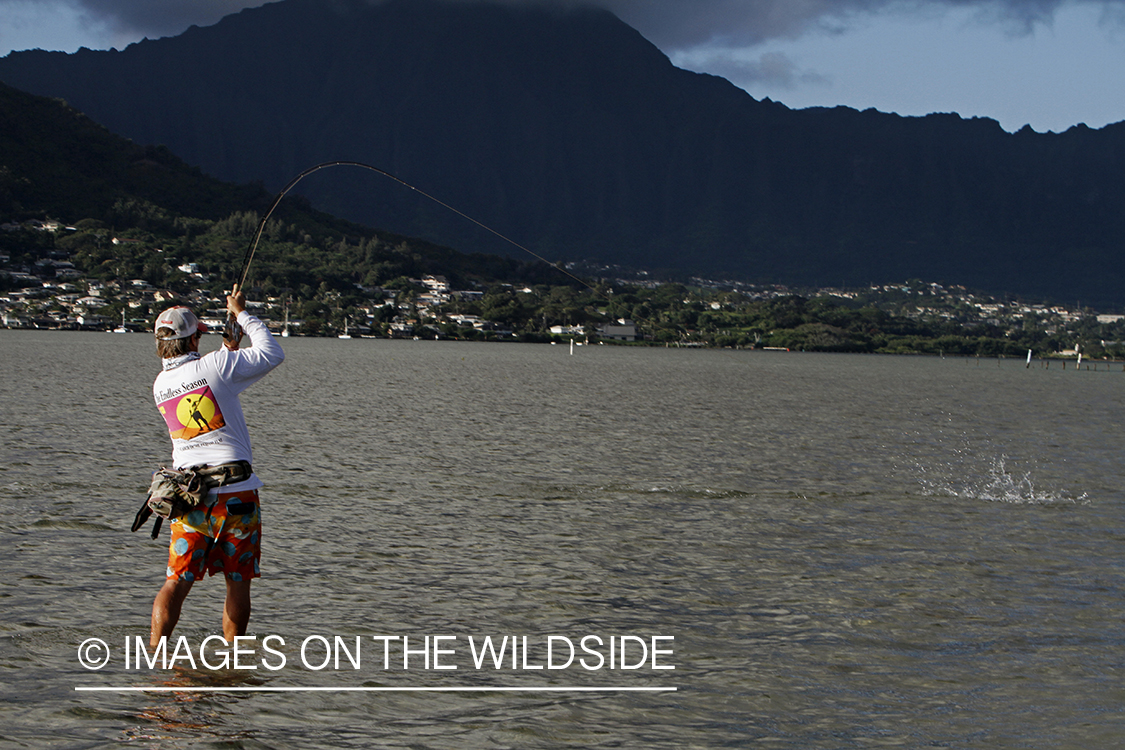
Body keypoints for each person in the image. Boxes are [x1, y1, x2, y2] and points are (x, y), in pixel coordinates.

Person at [148, 284, 284, 648]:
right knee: (238, 582)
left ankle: (155, 655)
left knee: (175, 581)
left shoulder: (161, 385)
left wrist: (228, 351)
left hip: (189, 498)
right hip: (237, 496)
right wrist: (241, 313)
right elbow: (272, 353)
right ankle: (231, 658)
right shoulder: (217, 366)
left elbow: (204, 383)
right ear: (194, 342)